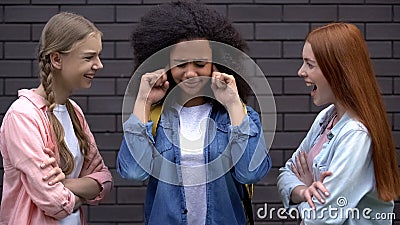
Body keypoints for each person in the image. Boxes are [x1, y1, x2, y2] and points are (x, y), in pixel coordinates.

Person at [116, 1, 271, 225]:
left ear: (215, 64)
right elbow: (132, 172)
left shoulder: (238, 116)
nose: (190, 73)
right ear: (166, 64)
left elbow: (250, 173)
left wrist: (233, 103)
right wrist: (144, 100)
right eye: (180, 64)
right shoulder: (154, 118)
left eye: (200, 63)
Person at [277, 22, 400, 224]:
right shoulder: (326, 118)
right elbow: (286, 173)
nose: (301, 72)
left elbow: (322, 217)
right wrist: (304, 190)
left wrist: (306, 192)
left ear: (337, 70)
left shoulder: (356, 136)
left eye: (310, 64)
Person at [0, 12, 112, 225]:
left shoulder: (74, 112)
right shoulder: (23, 116)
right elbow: (55, 201)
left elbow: (104, 180)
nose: (99, 65)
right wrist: (82, 189)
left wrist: (66, 184)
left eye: (98, 56)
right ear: (57, 59)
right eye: (89, 57)